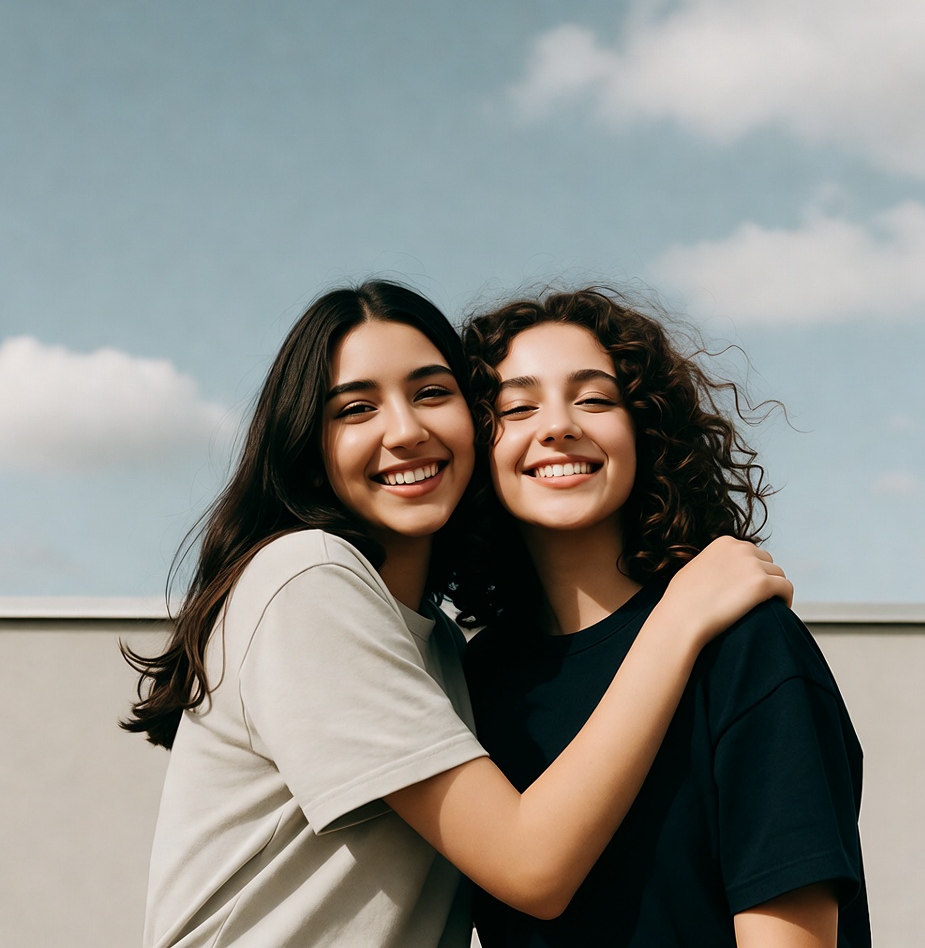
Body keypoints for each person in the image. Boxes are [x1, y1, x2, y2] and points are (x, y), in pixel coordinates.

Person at [122, 280, 792, 948]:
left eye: (431, 393)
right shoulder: (306, 581)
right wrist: (679, 617)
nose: (406, 431)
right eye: (356, 408)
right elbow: (530, 866)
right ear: (307, 444)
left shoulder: (443, 645)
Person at [459, 287, 870, 948]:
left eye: (594, 398)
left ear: (645, 427)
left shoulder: (747, 644)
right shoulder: (475, 678)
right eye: (516, 407)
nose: (559, 425)